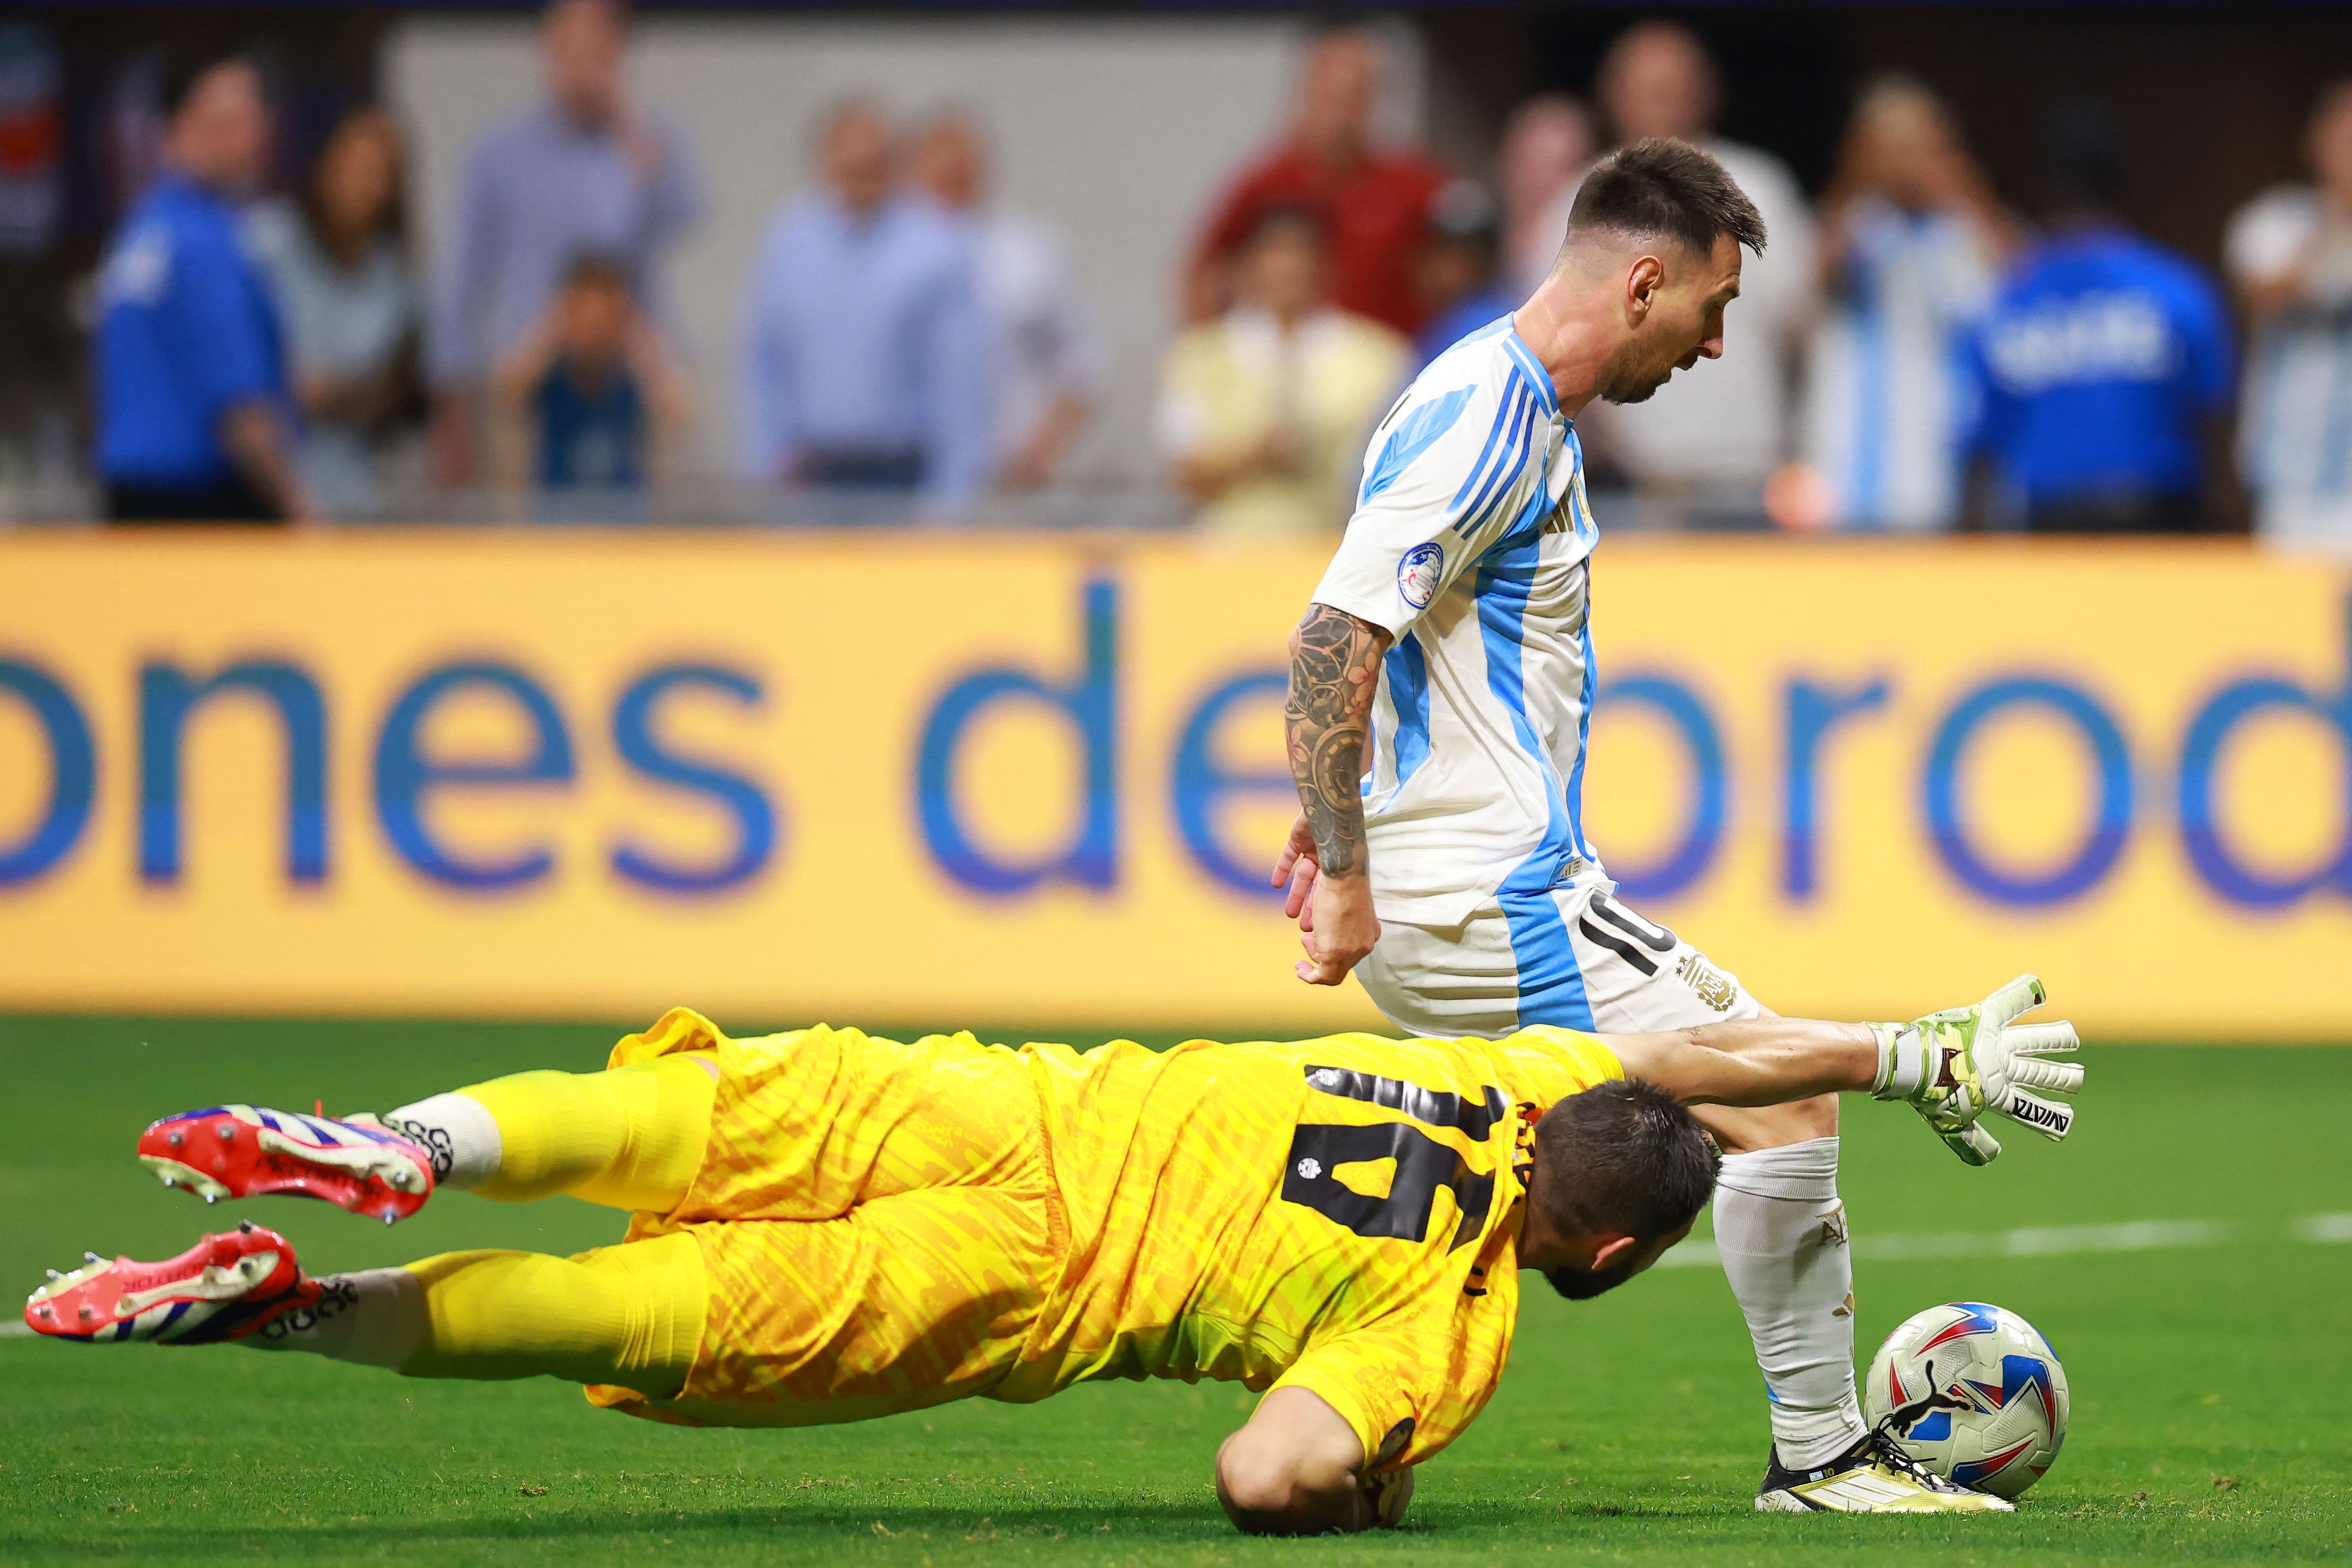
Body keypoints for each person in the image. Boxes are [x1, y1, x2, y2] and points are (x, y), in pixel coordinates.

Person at [30, 978, 2081, 1530]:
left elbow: (1685, 1049)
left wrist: (1897, 1045)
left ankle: (403, 1140)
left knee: (676, 1108)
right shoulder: (1439, 1326)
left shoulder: (1499, 1068)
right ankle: (299, 1308)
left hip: (996, 1101)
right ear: (1612, 1239)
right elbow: (1255, 1470)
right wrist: (1356, 1496)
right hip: (1012, 1286)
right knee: (660, 1310)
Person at [1268, 138, 2013, 1515]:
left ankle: (1324, 1422)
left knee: (1529, 1172)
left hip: (1478, 879)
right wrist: (1354, 866)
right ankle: (1822, 1460)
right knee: (1770, 1092)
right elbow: (1330, 637)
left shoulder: (1511, 408)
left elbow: (1392, 642)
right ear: (1645, 281)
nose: (1718, 345)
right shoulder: (1485, 415)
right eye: (1713, 310)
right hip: (1490, 894)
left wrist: (1339, 824)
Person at [428, 0, 702, 489]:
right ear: (548, 49)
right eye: (571, 47)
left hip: (629, 375)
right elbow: (463, 283)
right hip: (529, 379)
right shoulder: (499, 152)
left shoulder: (646, 139)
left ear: (621, 53)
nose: (584, 62)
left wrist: (630, 133)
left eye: (599, 47)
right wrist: (453, 406)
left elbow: (682, 218)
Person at [1570, 23, 1818, 519]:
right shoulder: (1579, 201)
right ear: (1613, 96)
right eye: (1647, 87)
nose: (1664, 100)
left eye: (1677, 85)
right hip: (1634, 485)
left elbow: (1803, 327)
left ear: (1707, 93)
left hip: (1753, 474)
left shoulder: (1762, 188)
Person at [1959, 102, 2234, 534]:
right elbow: (2214, 420)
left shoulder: (2008, 300)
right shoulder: (2174, 287)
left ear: (2045, 182)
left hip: (2053, 525)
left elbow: (1981, 446)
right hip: (2157, 521)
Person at [93, 48, 315, 525]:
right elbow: (240, 410)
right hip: (201, 505)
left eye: (258, 119)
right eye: (233, 121)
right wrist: (300, 510)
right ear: (185, 125)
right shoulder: (205, 241)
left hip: (131, 495)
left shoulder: (144, 228)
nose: (256, 137)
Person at [737, 99, 988, 517]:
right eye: (848, 164)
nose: (859, 174)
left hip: (902, 471)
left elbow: (959, 386)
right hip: (812, 472)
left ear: (893, 164)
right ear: (825, 164)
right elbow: (766, 365)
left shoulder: (935, 248)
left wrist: (950, 501)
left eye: (871, 163)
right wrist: (765, 472)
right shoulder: (789, 244)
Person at [1798, 77, 2014, 532]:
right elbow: (1813, 285)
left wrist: (1959, 187)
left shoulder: (1965, 229)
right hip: (1845, 473)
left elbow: (2022, 293)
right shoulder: (1855, 222)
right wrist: (1860, 177)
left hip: (1940, 472)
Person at [1159, 207, 1408, 537]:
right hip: (1227, 557)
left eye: (1300, 254)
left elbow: (1401, 475)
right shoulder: (1200, 356)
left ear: (1326, 266)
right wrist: (1254, 456)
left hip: (1336, 549)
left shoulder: (1378, 356)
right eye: (1274, 254)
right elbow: (1185, 477)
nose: (1288, 268)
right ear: (1247, 267)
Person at [1186, 29, 1451, 338]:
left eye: (1353, 97)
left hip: (1390, 367)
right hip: (1285, 369)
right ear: (1307, 91)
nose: (1341, 114)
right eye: (1331, 96)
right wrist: (1213, 352)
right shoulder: (1267, 182)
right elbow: (1204, 270)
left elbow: (1456, 273)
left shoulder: (1414, 185)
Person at [911, 109, 1104, 492]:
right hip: (905, 480)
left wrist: (1041, 454)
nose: (952, 179)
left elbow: (1084, 369)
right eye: (940, 171)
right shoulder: (885, 262)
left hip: (1007, 481)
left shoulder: (1027, 252)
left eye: (962, 168)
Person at [246, 107, 423, 521]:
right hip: (260, 482)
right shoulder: (266, 243)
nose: (362, 184)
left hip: (351, 487)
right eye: (353, 166)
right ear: (325, 165)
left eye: (379, 172)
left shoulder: (394, 279)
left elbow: (396, 390)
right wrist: (281, 380)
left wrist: (338, 394)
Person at [2225, 79, 2352, 548]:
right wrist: (2339, 215)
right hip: (2295, 482)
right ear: (2316, 142)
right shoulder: (2278, 219)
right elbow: (2267, 291)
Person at [491, 252, 690, 498]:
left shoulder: (632, 375)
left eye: (605, 317)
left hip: (627, 522)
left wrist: (641, 344)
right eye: (584, 315)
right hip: (553, 520)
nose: (594, 330)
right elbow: (505, 397)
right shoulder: (548, 374)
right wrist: (547, 335)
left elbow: (681, 415)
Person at [1497, 95, 1597, 297]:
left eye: (1561, 167)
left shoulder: (1599, 274)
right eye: (1530, 163)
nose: (1542, 181)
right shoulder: (1471, 260)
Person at [1412, 180, 1514, 367]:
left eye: (1463, 256)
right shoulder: (1440, 320)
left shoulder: (1493, 324)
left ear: (1487, 260)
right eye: (1439, 251)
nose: (1444, 268)